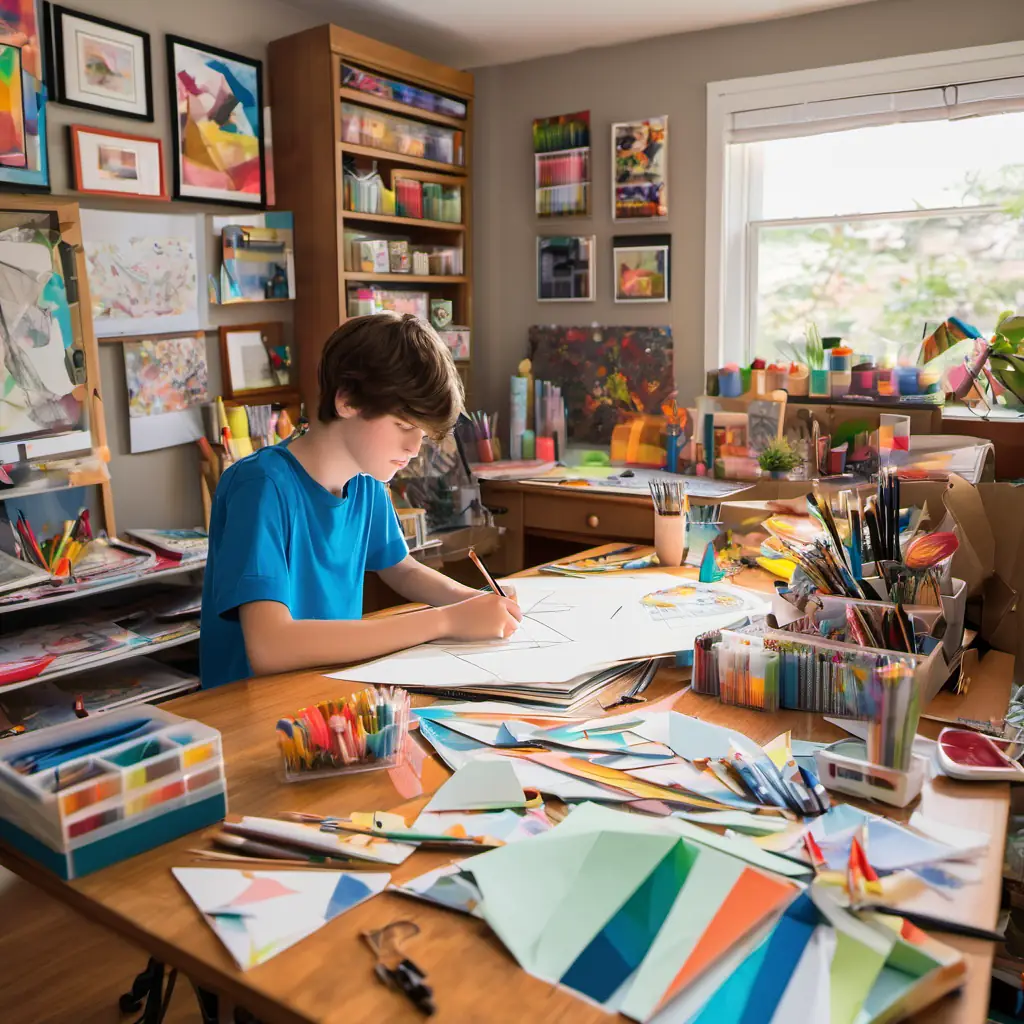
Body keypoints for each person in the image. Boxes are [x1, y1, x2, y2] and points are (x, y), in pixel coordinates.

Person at [199, 312, 521, 688]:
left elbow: (402, 569)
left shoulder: (364, 480)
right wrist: (446, 621)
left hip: (325, 691)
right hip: (248, 709)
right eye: (404, 426)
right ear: (348, 400)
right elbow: (271, 646)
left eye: (423, 434)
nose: (415, 448)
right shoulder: (260, 486)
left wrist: (473, 602)